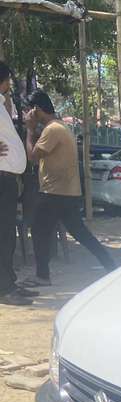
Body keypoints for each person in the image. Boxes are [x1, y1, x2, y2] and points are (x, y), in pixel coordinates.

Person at [23, 89, 115, 286]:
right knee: (80, 233)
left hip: (53, 192)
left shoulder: (52, 130)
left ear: (36, 109)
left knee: (39, 231)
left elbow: (32, 156)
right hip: (66, 192)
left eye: (29, 110)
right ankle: (111, 266)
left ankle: (42, 276)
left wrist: (29, 130)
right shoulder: (58, 127)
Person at [0, 62, 30, 306]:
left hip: (8, 178)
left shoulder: (1, 104)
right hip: (1, 178)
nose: (10, 84)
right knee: (3, 234)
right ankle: (5, 288)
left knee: (7, 233)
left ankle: (9, 282)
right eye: (8, 79)